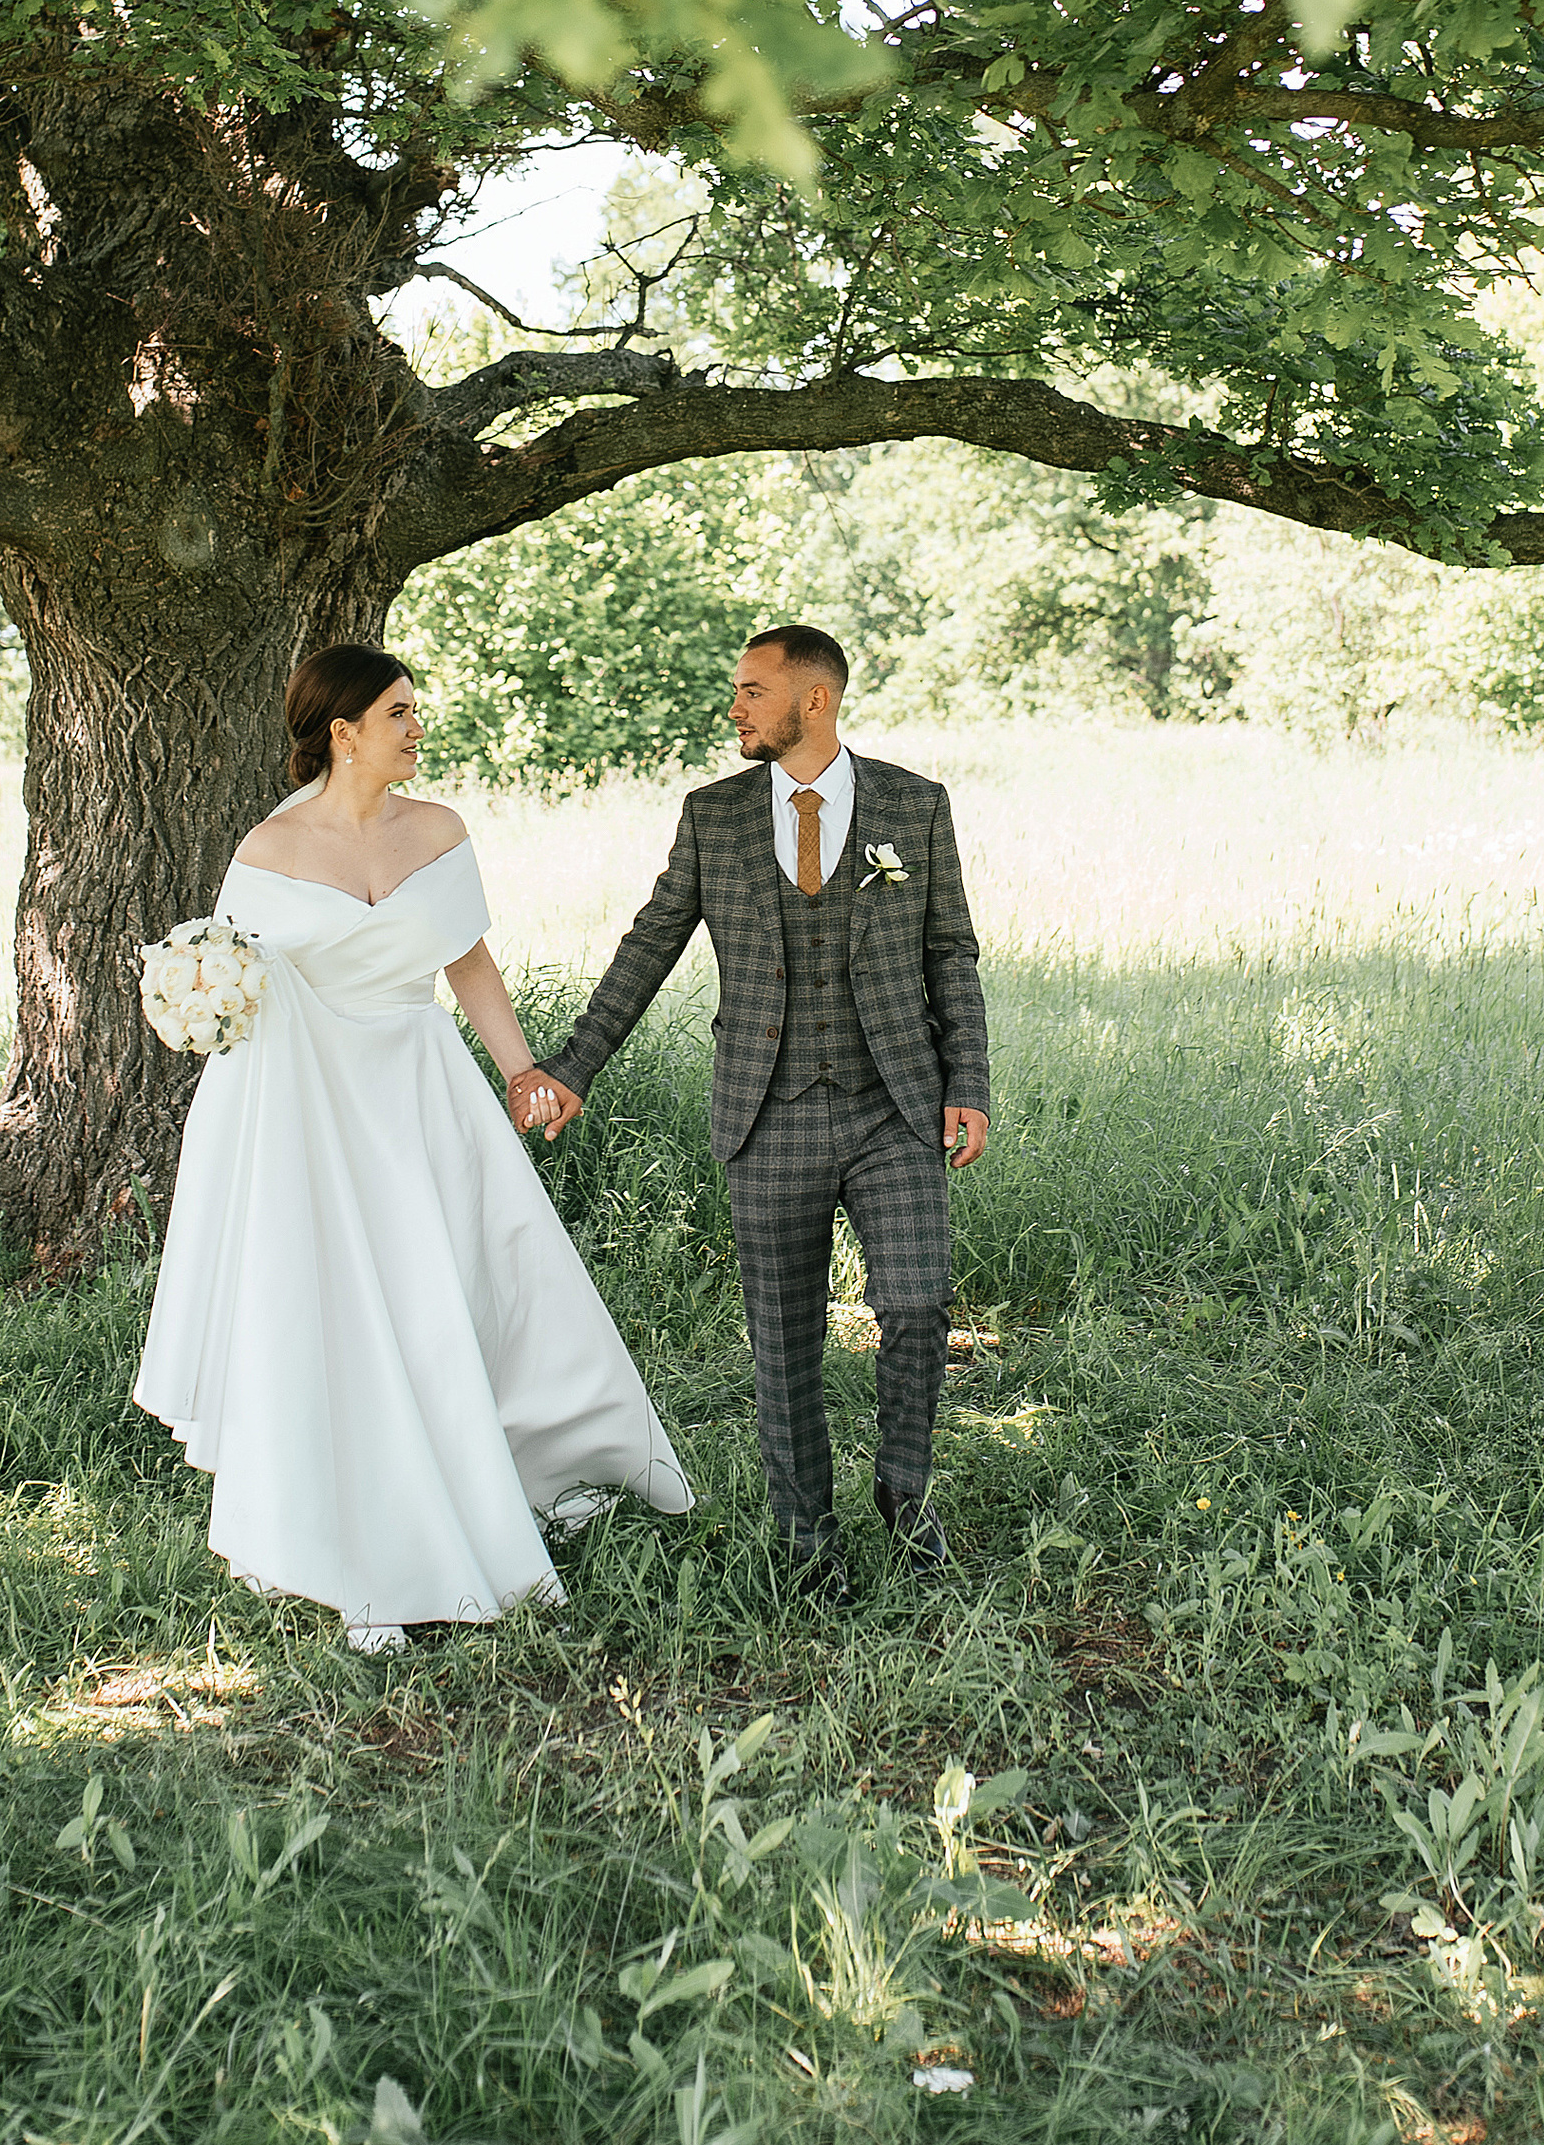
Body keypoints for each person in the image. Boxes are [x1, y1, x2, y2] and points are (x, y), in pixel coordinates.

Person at [132, 644, 692, 1652]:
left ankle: (522, 1465)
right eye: (398, 713)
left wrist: (523, 1071)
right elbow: (235, 983)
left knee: (465, 1288)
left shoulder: (438, 831)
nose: (416, 728)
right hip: (312, 1113)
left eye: (413, 710)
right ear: (342, 732)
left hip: (420, 1091)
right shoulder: (267, 850)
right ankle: (357, 1550)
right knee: (341, 1312)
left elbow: (466, 959)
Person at [512, 626, 990, 1605]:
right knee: (784, 1338)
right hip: (766, 1113)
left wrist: (967, 1083)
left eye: (752, 690)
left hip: (895, 1105)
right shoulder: (714, 816)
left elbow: (951, 953)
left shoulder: (914, 805)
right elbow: (649, 946)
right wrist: (573, 1066)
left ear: (815, 699)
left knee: (916, 1306)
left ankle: (904, 1495)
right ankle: (807, 1539)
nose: (735, 708)